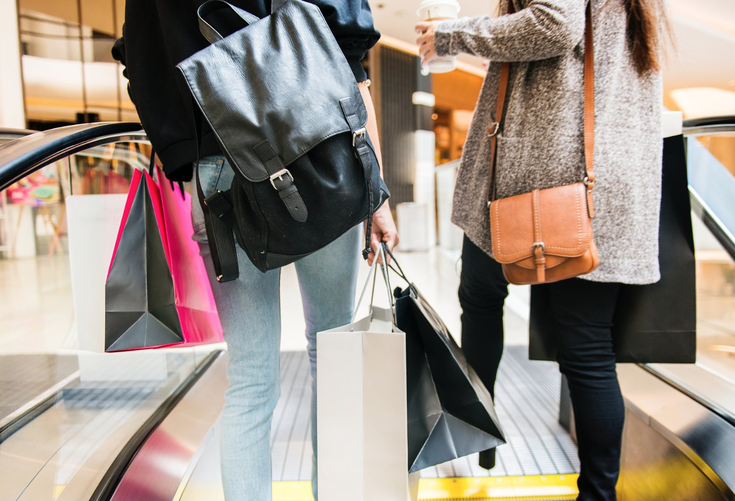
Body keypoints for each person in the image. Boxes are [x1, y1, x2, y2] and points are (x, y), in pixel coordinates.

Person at [113, 1, 398, 499]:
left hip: (217, 172)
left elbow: (138, 61)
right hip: (316, 151)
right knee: (330, 355)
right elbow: (350, 64)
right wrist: (378, 195)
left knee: (249, 380)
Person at [416, 1, 669, 500]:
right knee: (588, 351)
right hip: (594, 189)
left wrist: (453, 35)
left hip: (535, 186)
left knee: (483, 304)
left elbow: (555, 24)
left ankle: (476, 434)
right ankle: (596, 493)